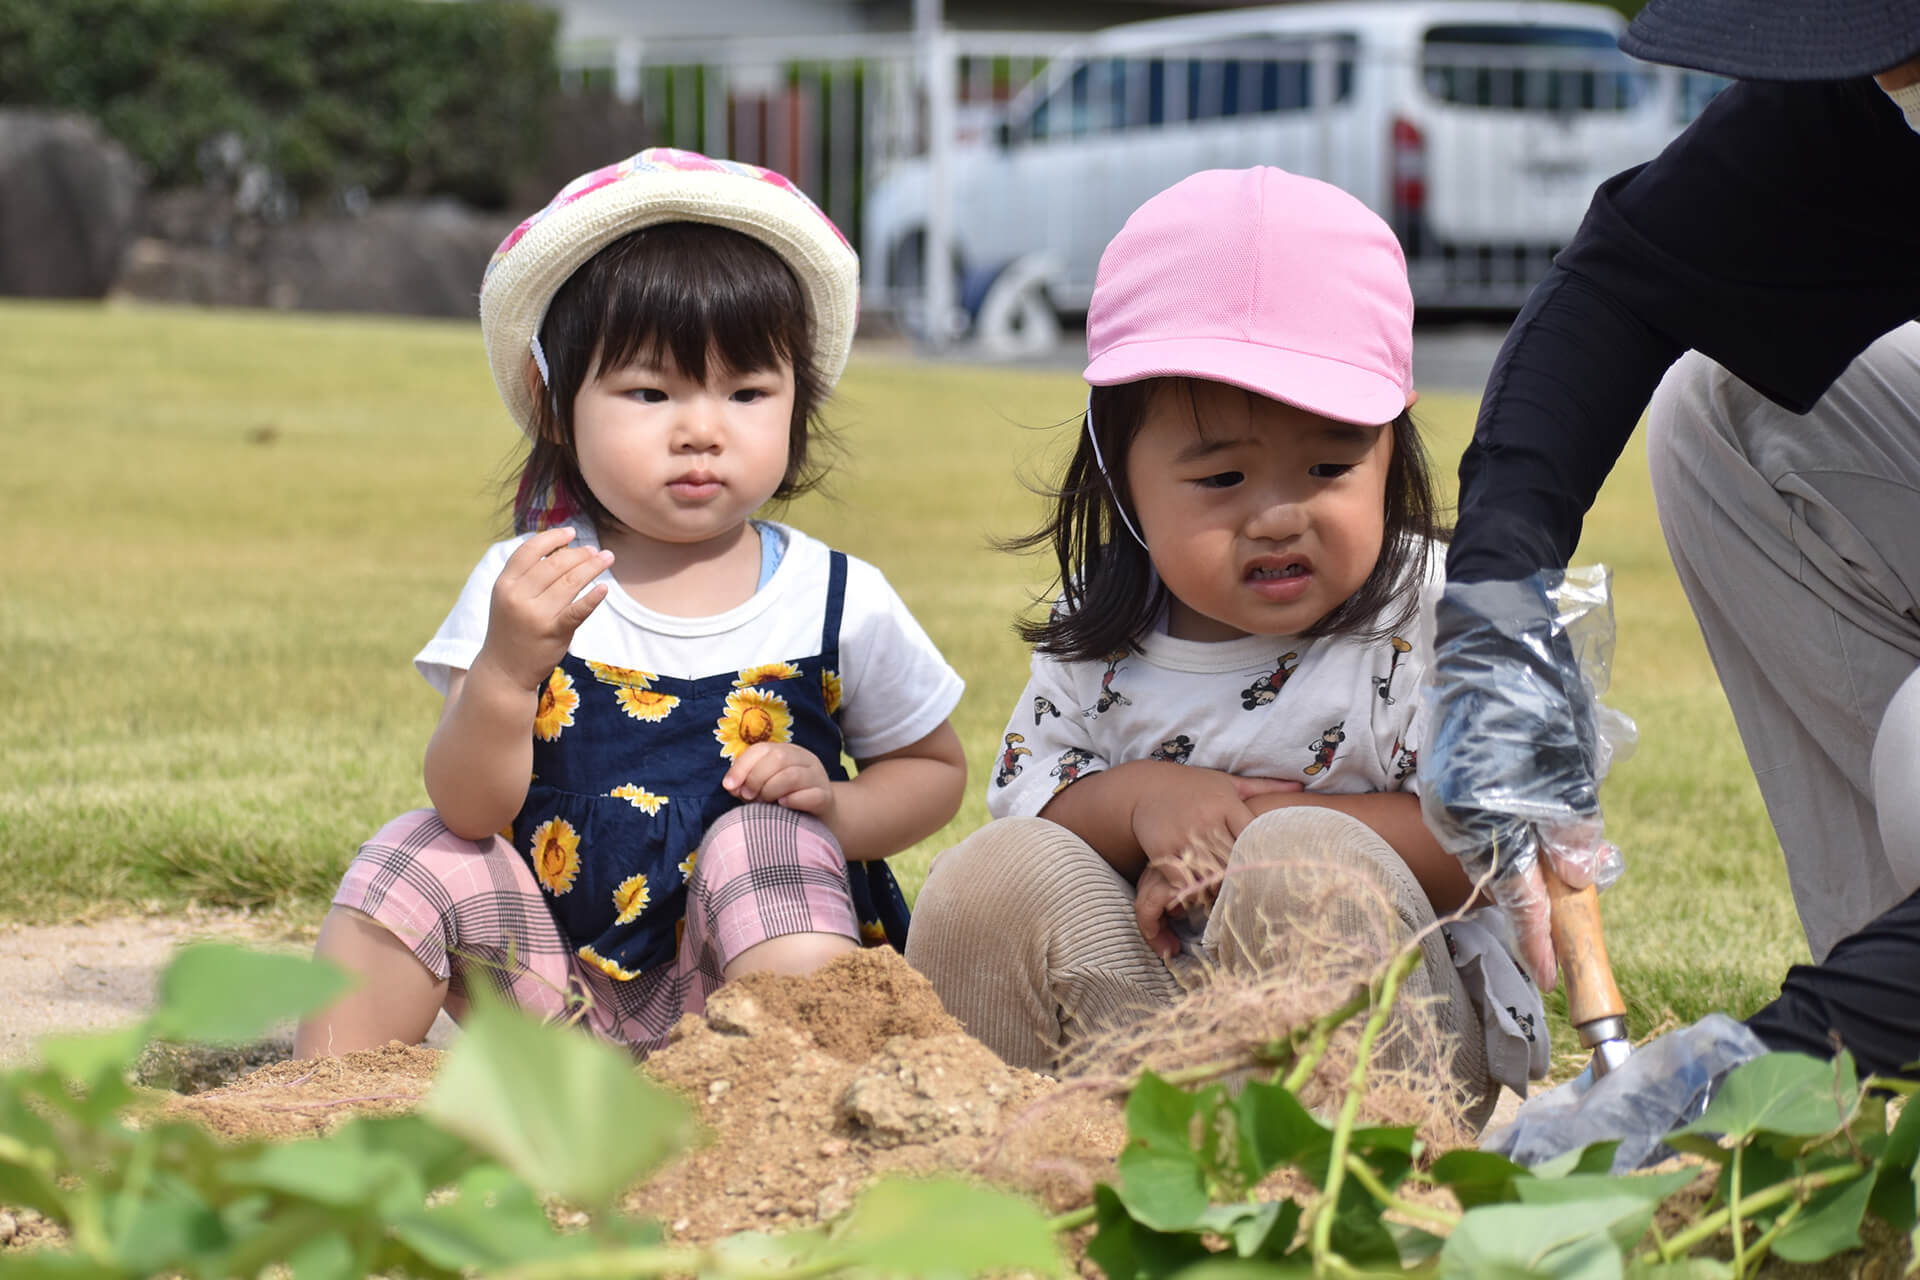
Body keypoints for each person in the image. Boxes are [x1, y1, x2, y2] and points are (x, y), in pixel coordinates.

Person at [906, 167, 1545, 1128]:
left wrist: (1247, 836)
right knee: (984, 879)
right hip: (1148, 1034)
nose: (1280, 514)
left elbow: (1489, 845)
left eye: (1331, 466)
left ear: (1393, 444)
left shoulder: (1431, 613)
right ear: (1122, 478)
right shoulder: (1107, 637)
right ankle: (1017, 1168)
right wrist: (1145, 807)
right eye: (1223, 478)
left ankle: (1330, 1192)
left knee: (1299, 860)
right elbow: (1034, 798)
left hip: (1388, 1048)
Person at [295, 149, 967, 1059]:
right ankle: (321, 1104)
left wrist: (839, 809)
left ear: (798, 401)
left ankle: (805, 1110)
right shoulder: (531, 585)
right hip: (556, 1004)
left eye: (747, 391)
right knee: (418, 851)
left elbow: (934, 769)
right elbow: (470, 809)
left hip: (752, 1007)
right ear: (558, 406)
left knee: (765, 838)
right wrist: (501, 674)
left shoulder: (834, 598)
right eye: (649, 391)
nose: (701, 427)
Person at [1420, 0, 1920, 1080]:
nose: (1884, 77)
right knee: (1722, 403)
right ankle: (1876, 1027)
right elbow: (1618, 284)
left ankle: (1865, 1025)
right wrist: (1497, 619)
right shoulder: (1872, 93)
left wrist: (1740, 1071)